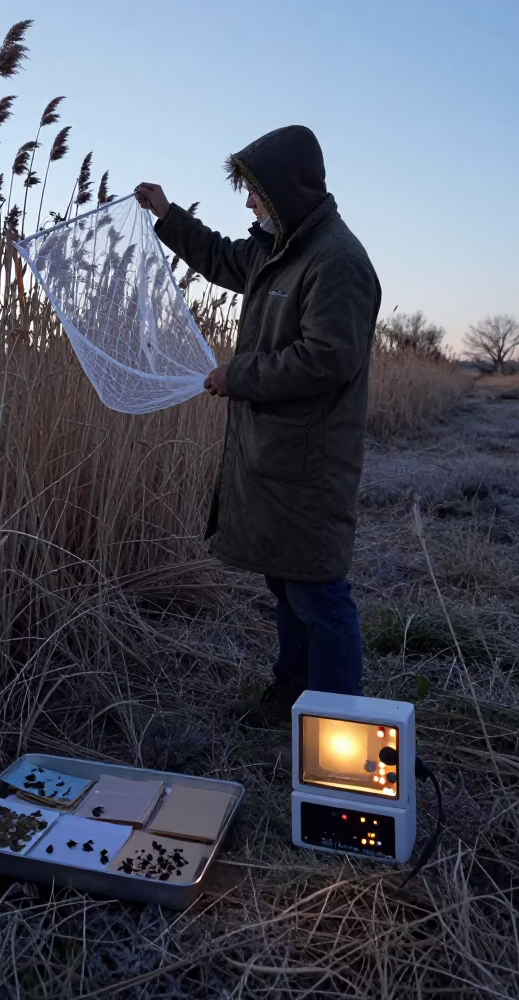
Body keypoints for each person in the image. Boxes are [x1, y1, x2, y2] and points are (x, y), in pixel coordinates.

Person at [135, 125, 381, 724]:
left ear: (287, 191)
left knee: (318, 591)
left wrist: (237, 375)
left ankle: (334, 724)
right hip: (277, 455)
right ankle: (292, 697)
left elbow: (329, 358)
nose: (248, 204)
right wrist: (167, 217)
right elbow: (222, 257)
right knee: (286, 582)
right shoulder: (283, 249)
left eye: (257, 193)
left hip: (312, 460)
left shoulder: (337, 261)